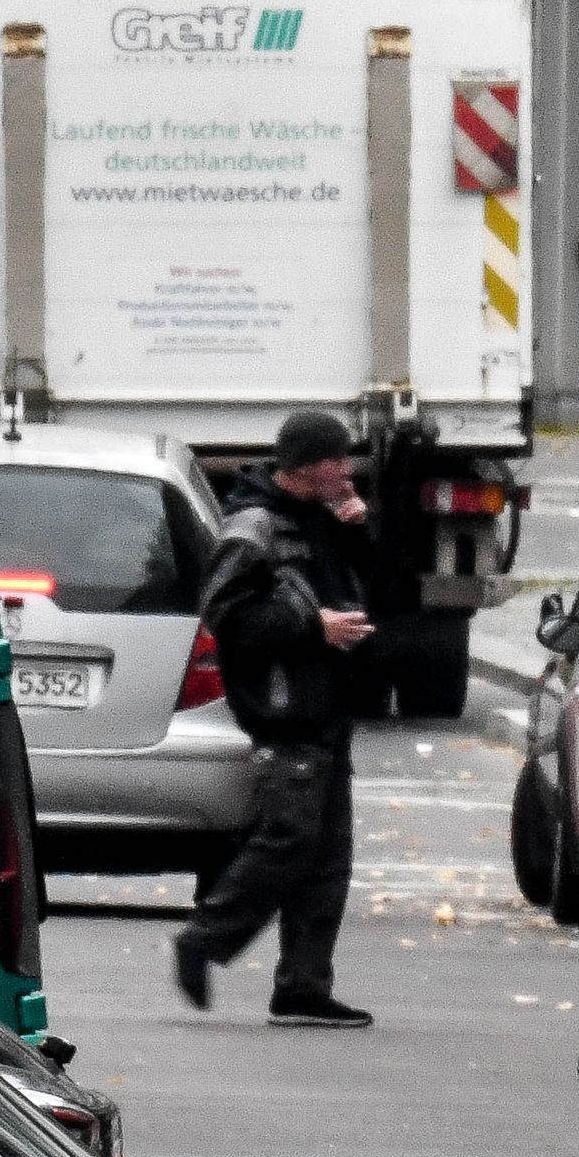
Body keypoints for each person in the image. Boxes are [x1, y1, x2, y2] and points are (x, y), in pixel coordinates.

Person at [179, 409, 381, 1030]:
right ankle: (204, 940)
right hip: (285, 706)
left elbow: (377, 587)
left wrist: (357, 531)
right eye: (337, 460)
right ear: (307, 465)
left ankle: (303, 986)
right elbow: (227, 616)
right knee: (289, 841)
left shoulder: (324, 517)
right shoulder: (254, 526)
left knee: (328, 856)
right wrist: (312, 627)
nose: (347, 471)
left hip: (327, 704)